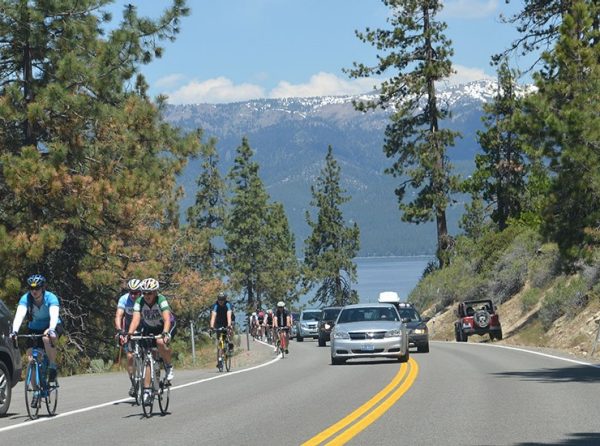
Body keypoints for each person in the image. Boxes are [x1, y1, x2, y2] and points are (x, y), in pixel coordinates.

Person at [10, 274, 63, 408]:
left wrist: (51, 329)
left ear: (43, 288)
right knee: (31, 359)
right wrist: (14, 331)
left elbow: (54, 315)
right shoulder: (26, 298)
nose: (34, 291)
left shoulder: (50, 297)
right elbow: (19, 315)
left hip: (51, 325)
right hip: (34, 328)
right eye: (31, 288)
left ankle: (52, 366)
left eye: (37, 288)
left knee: (47, 337)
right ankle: (36, 392)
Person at [127, 277, 175, 403]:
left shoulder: (161, 300)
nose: (147, 295)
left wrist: (165, 333)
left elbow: (166, 318)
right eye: (144, 293)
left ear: (155, 292)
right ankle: (147, 390)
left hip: (165, 326)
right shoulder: (139, 301)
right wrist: (129, 333)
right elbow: (136, 319)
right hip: (150, 327)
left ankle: (169, 366)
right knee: (149, 357)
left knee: (160, 342)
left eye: (150, 293)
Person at [115, 278, 142, 397]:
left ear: (140, 292)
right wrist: (120, 331)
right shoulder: (124, 299)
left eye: (136, 292)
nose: (133, 295)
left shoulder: (143, 299)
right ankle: (133, 383)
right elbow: (118, 316)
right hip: (128, 328)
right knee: (130, 356)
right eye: (131, 292)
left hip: (143, 326)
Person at [209, 292, 233, 368]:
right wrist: (212, 327)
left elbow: (229, 315)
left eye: (222, 299)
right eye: (219, 299)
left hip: (227, 320)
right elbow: (213, 316)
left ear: (225, 299)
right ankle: (220, 360)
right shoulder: (215, 305)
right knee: (221, 342)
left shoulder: (228, 304)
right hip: (219, 322)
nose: (220, 301)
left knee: (230, 328)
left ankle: (230, 342)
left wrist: (229, 325)